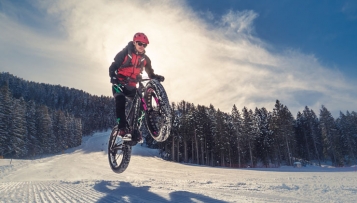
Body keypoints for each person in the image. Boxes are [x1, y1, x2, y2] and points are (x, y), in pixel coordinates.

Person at [109, 32, 164, 140]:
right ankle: (122, 128)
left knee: (142, 103)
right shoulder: (125, 53)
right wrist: (113, 77)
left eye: (144, 45)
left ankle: (135, 129)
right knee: (120, 100)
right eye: (140, 43)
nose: (142, 46)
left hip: (131, 86)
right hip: (119, 83)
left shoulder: (145, 59)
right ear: (134, 43)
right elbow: (113, 66)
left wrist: (155, 77)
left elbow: (150, 73)